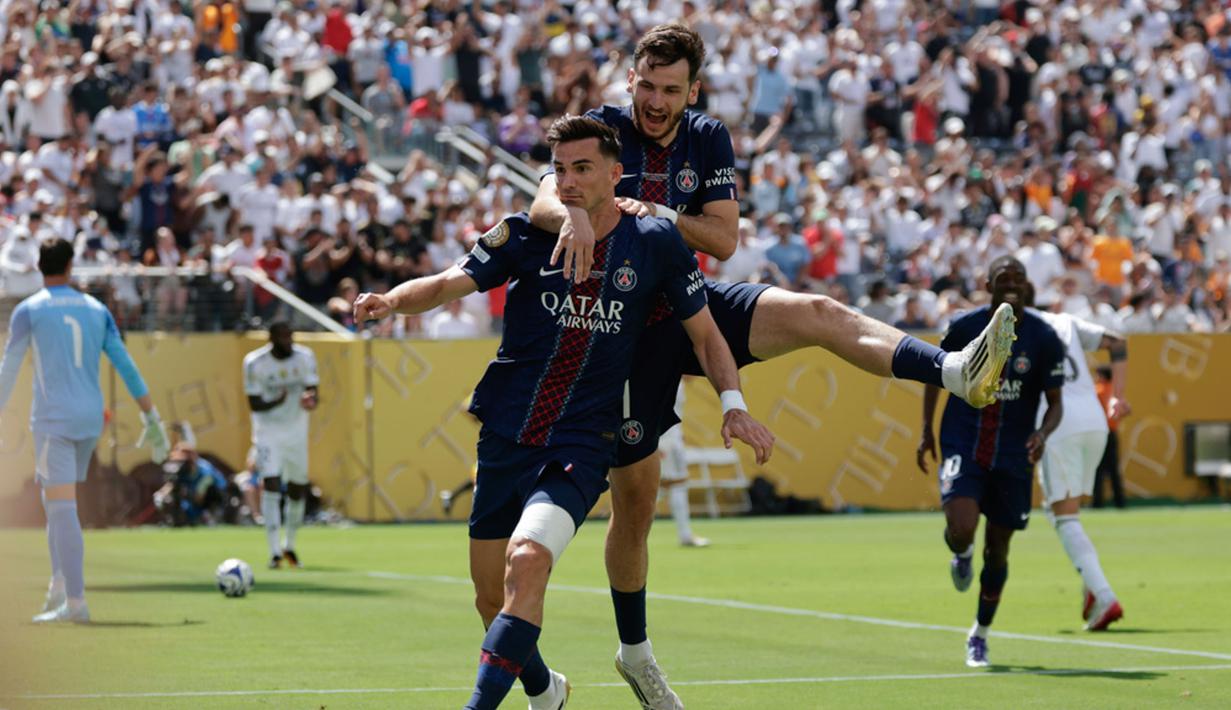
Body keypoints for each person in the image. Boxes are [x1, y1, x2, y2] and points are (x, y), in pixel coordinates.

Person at [528, 23, 1017, 706]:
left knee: (816, 310)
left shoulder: (708, 137)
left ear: (692, 90)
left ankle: (952, 371)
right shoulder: (604, 129)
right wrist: (576, 215)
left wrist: (659, 213)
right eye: (646, 86)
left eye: (671, 90)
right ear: (630, 79)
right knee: (636, 503)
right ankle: (634, 652)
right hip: (619, 329)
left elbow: (723, 240)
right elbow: (543, 196)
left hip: (689, 304)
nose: (656, 102)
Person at [353, 115, 775, 710]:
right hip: (506, 432)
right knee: (487, 598)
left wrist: (733, 405)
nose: (570, 182)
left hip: (581, 440)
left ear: (614, 173)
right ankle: (545, 690)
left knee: (527, 560)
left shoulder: (655, 243)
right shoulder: (524, 235)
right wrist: (389, 301)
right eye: (560, 170)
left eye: (583, 169)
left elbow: (705, 336)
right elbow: (451, 281)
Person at [0, 238, 169, 623]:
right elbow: (125, 364)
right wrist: (152, 416)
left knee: (61, 508)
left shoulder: (29, 310)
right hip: (90, 419)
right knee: (54, 502)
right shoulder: (97, 309)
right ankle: (58, 585)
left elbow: (9, 369)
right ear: (71, 266)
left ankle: (75, 603)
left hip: (53, 421)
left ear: (38, 267)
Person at [917, 257, 1065, 668]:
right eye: (1004, 279)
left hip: (1014, 455)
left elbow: (1056, 405)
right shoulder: (965, 328)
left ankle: (979, 634)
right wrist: (926, 430)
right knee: (962, 529)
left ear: (1028, 285)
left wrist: (1043, 433)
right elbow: (934, 376)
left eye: (1018, 279)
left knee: (997, 551)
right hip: (963, 442)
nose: (1012, 285)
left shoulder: (1043, 336)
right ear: (988, 285)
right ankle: (959, 552)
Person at [1030, 293, 1131, 631]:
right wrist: (1117, 394)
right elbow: (1118, 342)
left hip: (1058, 424)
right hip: (1095, 421)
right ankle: (1091, 586)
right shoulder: (1067, 322)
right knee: (1064, 513)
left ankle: (1104, 595)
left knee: (1065, 518)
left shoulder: (1018, 327)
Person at [242, 322, 319, 569]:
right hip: (268, 432)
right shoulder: (254, 362)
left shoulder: (305, 357)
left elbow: (313, 392)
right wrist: (278, 400)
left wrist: (310, 400)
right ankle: (274, 550)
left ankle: (290, 545)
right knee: (272, 484)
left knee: (298, 488)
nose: (288, 341)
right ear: (272, 338)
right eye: (283, 336)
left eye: (290, 336)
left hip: (297, 433)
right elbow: (254, 404)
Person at [658, 383, 708, 547]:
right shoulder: (673, 381)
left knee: (662, 487)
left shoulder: (675, 381)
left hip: (668, 439)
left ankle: (627, 528)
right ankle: (685, 535)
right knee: (677, 484)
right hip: (668, 441)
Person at [1092, 366, 1127, 509]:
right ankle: (1120, 501)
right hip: (1112, 432)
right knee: (1113, 470)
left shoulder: (1097, 390)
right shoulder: (1115, 391)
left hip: (1100, 432)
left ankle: (1097, 503)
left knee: (1098, 469)